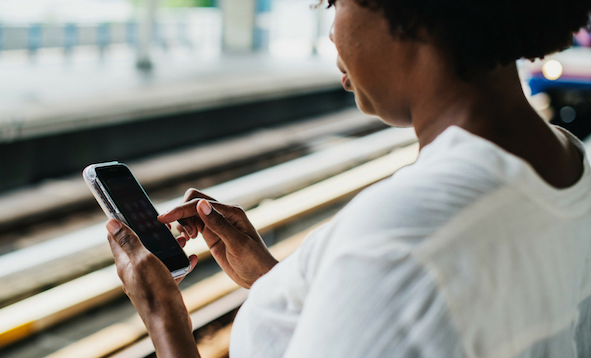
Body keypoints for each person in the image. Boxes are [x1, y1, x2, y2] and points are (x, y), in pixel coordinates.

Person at [104, 0, 591, 356]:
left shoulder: (400, 241)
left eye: (336, 3)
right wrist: (272, 279)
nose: (332, 34)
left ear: (411, 14)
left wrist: (163, 317)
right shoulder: (569, 164)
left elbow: (402, 280)